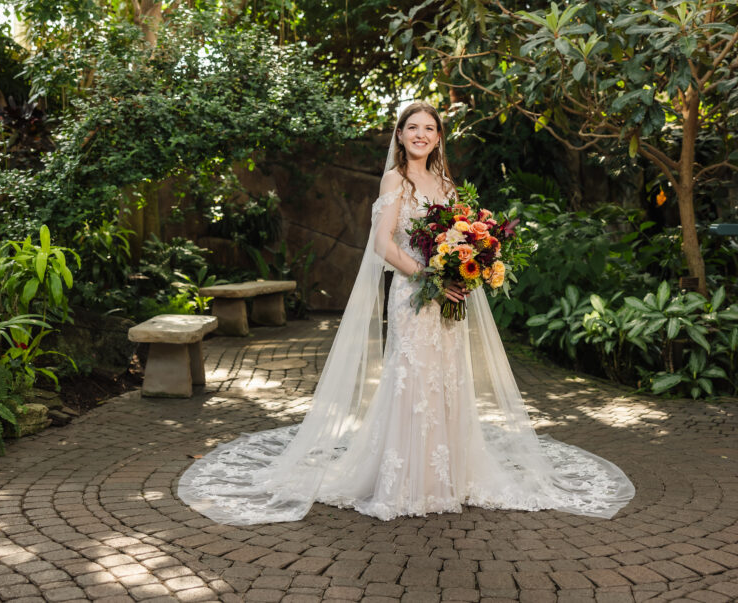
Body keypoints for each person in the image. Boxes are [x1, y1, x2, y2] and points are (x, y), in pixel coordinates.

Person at [177, 102, 635, 524]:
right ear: (399, 136)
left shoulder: (449, 185)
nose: (420, 135)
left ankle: (450, 477)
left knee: (448, 379)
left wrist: (464, 271)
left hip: (447, 297)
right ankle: (408, 482)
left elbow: (461, 239)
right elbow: (382, 243)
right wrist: (428, 275)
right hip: (413, 294)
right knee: (413, 380)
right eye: (412, 128)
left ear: (438, 137)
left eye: (429, 128)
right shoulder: (396, 180)